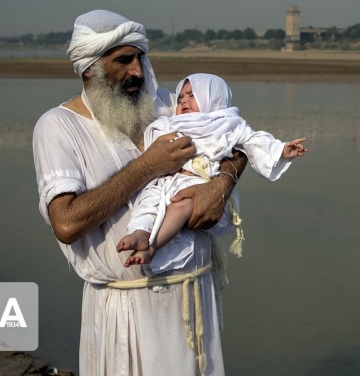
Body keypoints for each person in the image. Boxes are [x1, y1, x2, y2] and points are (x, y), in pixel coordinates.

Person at [32, 9, 247, 376]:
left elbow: (238, 135)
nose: (137, 71)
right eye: (123, 60)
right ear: (89, 70)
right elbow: (66, 223)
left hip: (195, 295)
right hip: (126, 312)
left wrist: (223, 182)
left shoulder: (166, 105)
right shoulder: (58, 127)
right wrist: (147, 166)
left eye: (140, 57)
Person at [116, 73, 307, 270]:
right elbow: (156, 141)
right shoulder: (171, 123)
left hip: (199, 185)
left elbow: (255, 141)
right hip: (167, 182)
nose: (183, 101)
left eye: (192, 95)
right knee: (148, 199)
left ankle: (153, 246)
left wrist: (281, 150)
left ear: (212, 98)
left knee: (181, 207)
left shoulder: (229, 124)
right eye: (180, 98)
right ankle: (140, 232)